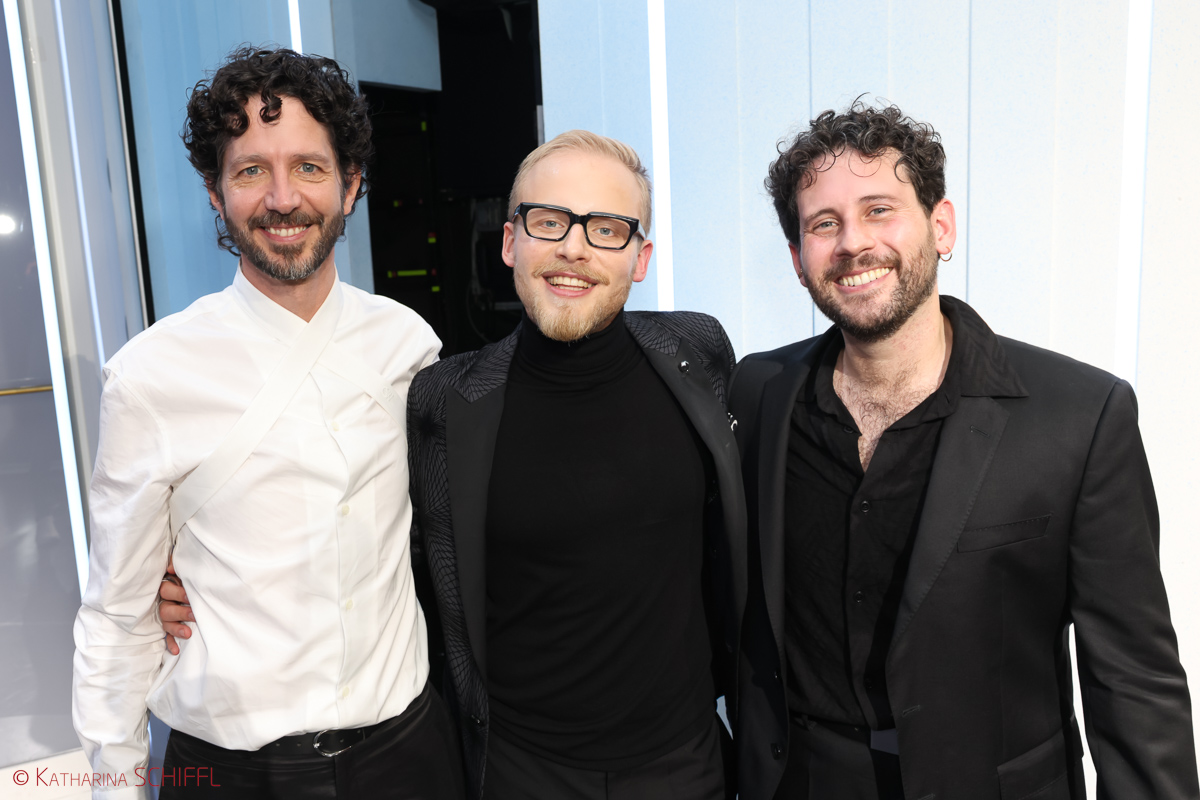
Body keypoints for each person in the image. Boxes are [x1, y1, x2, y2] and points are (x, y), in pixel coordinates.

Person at [732, 101, 1199, 800]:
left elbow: (1134, 679)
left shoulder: (1078, 414)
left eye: (879, 209)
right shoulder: (759, 394)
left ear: (941, 226)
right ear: (799, 260)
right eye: (823, 223)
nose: (854, 242)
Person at [72, 47, 464, 800]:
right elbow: (116, 616)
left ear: (351, 184)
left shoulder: (407, 345)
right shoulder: (152, 375)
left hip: (410, 756)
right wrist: (114, 784)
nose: (283, 199)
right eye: (251, 170)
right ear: (215, 193)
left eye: (309, 168)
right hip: (231, 773)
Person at [404, 130, 746, 799]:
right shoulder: (443, 399)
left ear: (640, 258)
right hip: (520, 770)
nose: (574, 248)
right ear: (511, 242)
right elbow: (401, 564)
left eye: (606, 229)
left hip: (684, 762)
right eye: (549, 221)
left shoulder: (698, 350)